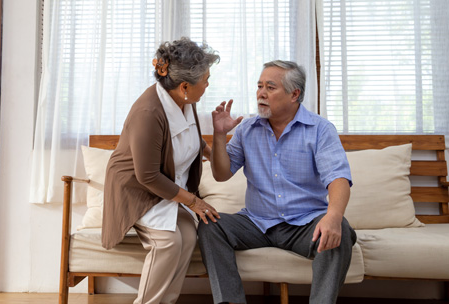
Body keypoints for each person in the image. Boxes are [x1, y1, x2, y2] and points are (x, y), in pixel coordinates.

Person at [198, 60, 357, 304]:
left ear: (295, 94)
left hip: (304, 225)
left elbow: (337, 178)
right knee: (211, 225)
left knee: (340, 229)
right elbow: (222, 174)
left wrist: (333, 217)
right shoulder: (246, 129)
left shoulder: (320, 129)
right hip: (256, 223)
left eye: (270, 87)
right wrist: (219, 135)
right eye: (259, 86)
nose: (261, 93)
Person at [102, 37, 221, 304]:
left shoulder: (185, 100)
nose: (208, 85)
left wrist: (211, 153)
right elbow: (147, 176)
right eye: (206, 79)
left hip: (165, 185)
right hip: (137, 188)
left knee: (188, 236)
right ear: (185, 86)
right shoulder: (148, 112)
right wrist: (194, 202)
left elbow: (187, 135)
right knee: (168, 243)